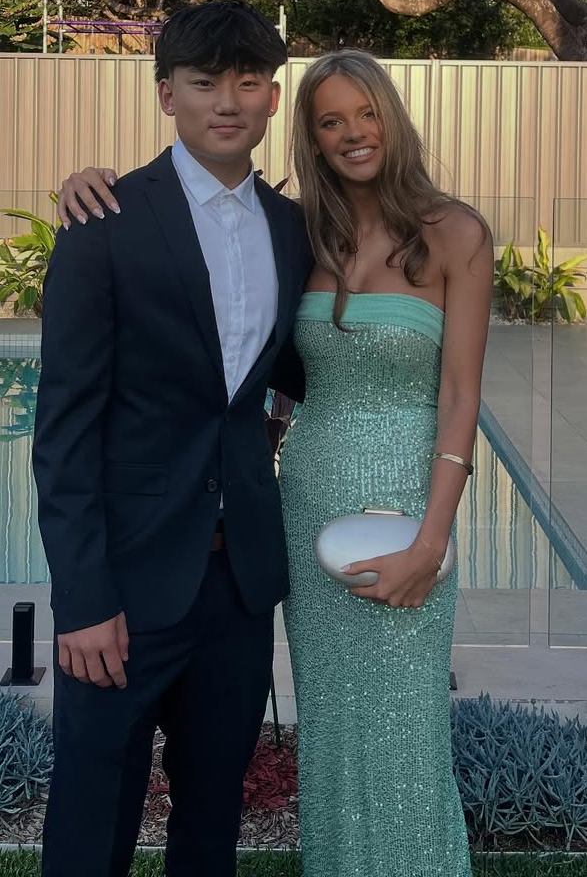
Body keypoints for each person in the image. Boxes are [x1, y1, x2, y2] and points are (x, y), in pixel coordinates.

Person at [57, 50, 493, 877]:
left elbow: (460, 396)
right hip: (301, 510)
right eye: (330, 121)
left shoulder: (445, 232)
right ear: (310, 135)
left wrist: (433, 539)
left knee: (403, 730)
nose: (352, 133)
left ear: (392, 117)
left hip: (403, 509)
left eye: (366, 113)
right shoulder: (304, 231)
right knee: (328, 730)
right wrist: (89, 183)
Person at [33, 2, 312, 877]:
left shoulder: (292, 231)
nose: (226, 101)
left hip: (238, 587)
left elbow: (297, 373)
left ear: (273, 98)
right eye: (203, 82)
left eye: (248, 82)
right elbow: (64, 430)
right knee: (91, 823)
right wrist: (82, 599)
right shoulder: (103, 222)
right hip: (123, 586)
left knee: (212, 819)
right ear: (166, 96)